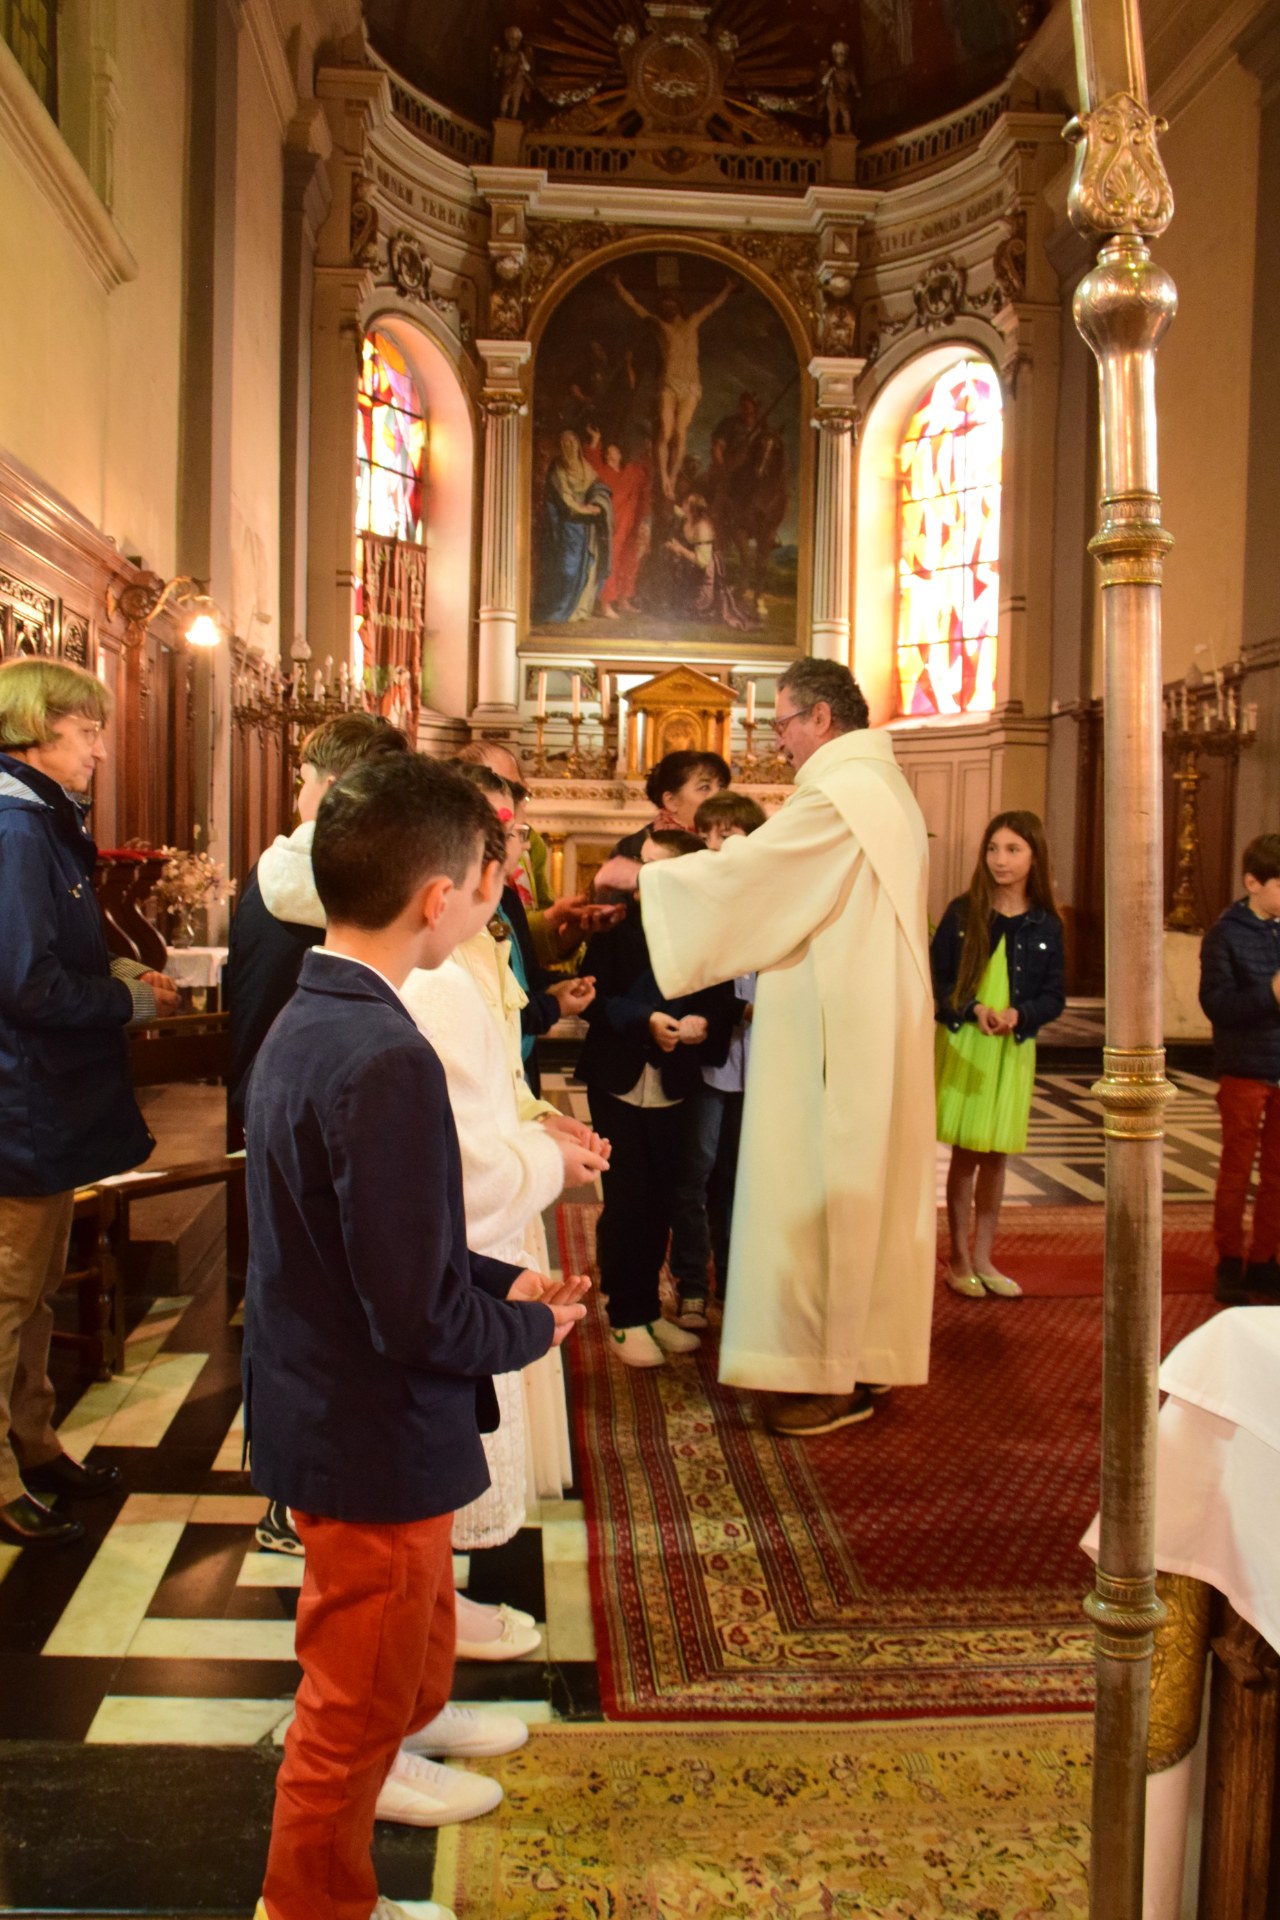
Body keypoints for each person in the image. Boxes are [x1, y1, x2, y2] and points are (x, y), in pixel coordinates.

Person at [243, 754, 589, 1920]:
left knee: (386, 1662)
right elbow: (409, 1311)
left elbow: (377, 1242)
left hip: (333, 1403)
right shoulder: (385, 1053)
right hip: (370, 1433)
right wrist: (522, 1328)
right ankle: (314, 1907)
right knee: (348, 1708)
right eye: (476, 884)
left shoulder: (317, 1006)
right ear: (435, 897)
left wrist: (502, 1275)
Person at [594, 658, 935, 1438]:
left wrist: (648, 875)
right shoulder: (882, 788)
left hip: (835, 1033)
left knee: (826, 1192)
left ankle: (829, 1372)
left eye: (782, 721)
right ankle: (864, 1351)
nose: (776, 739)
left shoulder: (843, 794)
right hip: (862, 1017)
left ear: (821, 717)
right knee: (863, 1192)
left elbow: (762, 877)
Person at [0, 657, 179, 1548]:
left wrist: (111, 970)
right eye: (89, 730)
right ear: (38, 728)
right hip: (18, 1103)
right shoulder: (15, 828)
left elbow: (46, 955)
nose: (103, 749)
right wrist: (132, 999)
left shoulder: (39, 822)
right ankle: (2, 1477)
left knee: (30, 1298)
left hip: (40, 1101)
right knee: (5, 1295)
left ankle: (32, 1442)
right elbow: (25, 987)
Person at [578, 831, 737, 1368]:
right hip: (618, 1077)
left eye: (657, 868)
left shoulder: (710, 932)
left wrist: (700, 1024)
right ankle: (625, 1314)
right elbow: (593, 996)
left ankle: (649, 1309)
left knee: (663, 1198)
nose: (643, 879)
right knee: (627, 1199)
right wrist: (645, 1019)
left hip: (674, 1082)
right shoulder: (620, 925)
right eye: (641, 866)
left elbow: (722, 1003)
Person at [226, 712, 409, 1128]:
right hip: (343, 1100)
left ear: (330, 789)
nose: (296, 798)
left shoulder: (269, 871)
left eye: (301, 781)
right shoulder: (387, 890)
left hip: (260, 1089)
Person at [931, 812, 1066, 1300]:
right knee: (967, 1155)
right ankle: (959, 1259)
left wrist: (1020, 1014)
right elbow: (937, 982)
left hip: (1013, 1047)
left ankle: (986, 1256)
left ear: (1034, 857)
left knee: (997, 1155)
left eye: (1013, 850)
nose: (1000, 860)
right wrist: (975, 1009)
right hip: (968, 1041)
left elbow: (1055, 996)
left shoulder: (1045, 922)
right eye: (993, 849)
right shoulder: (963, 913)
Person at [668, 792, 768, 1329]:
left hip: (760, 1064)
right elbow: (686, 980)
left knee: (740, 1178)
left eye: (728, 833)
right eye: (708, 834)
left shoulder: (775, 901)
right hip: (709, 1061)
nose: (715, 843)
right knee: (694, 1175)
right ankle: (690, 1285)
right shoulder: (697, 899)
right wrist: (736, 1009)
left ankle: (733, 1282)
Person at [1198, 831, 1280, 1304]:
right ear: (1253, 882)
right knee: (1236, 1169)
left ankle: (1266, 1260)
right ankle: (1230, 1260)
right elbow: (1218, 1005)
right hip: (1245, 1068)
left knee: (1278, 1173)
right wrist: (1270, 994)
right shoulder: (1225, 935)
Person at [610, 273, 736, 500]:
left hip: (691, 386)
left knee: (680, 432)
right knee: (666, 432)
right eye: (663, 302)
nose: (667, 305)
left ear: (679, 304)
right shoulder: (659, 326)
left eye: (671, 301)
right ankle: (664, 479)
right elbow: (635, 307)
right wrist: (618, 285)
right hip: (669, 383)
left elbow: (712, 305)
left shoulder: (693, 322)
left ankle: (673, 474)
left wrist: (728, 289)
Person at [534, 429, 613, 624]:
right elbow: (565, 499)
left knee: (588, 567)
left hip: (586, 528)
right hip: (567, 526)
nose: (570, 446)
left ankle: (579, 609)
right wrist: (585, 509)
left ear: (578, 445)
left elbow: (598, 487)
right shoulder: (558, 470)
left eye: (573, 442)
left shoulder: (584, 466)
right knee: (568, 570)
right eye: (565, 442)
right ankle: (562, 609)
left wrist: (598, 503)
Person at [612, 748, 730, 860]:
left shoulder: (735, 841)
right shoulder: (633, 849)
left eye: (721, 787)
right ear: (671, 801)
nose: (720, 795)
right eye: (705, 787)